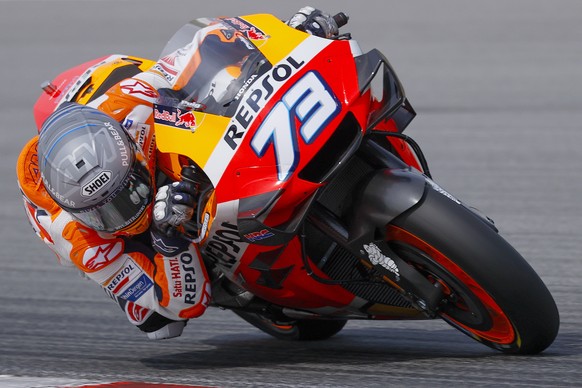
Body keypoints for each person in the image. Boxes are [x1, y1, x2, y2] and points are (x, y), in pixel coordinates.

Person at [16, 7, 344, 340]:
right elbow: (183, 303)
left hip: (107, 106)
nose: (128, 212)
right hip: (89, 220)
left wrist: (291, 35)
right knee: (158, 323)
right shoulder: (80, 240)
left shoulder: (130, 106)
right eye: (106, 212)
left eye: (130, 191)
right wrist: (167, 241)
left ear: (128, 149)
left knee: (214, 88)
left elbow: (202, 47)